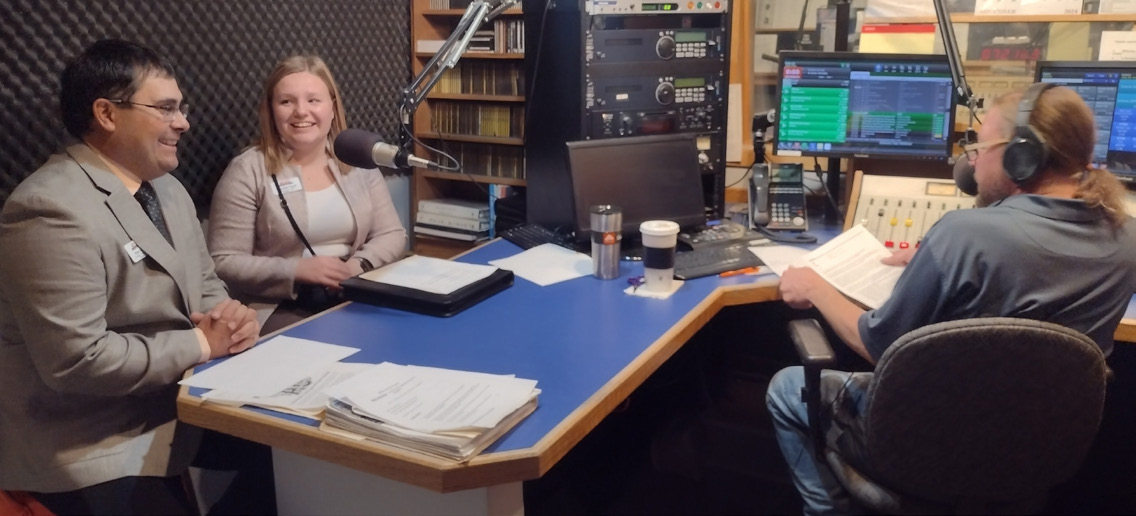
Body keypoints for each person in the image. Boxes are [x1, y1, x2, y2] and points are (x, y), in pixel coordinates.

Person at [765, 84, 1136, 515]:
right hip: (1035, 450)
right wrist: (934, 259)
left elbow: (876, 345)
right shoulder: (1125, 238)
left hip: (919, 445)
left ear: (1023, 156)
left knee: (786, 388)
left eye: (982, 146)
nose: (973, 158)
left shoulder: (962, 234)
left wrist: (815, 287)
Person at [0, 39, 261, 515]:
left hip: (175, 406)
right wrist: (203, 346)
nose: (182, 122)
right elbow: (78, 361)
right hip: (89, 441)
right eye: (166, 108)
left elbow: (206, 284)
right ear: (106, 113)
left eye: (181, 108)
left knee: (291, 461)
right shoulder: (47, 209)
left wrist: (233, 318)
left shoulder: (170, 190)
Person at [208, 55, 407, 334]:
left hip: (353, 290)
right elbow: (223, 260)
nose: (301, 111)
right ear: (271, 111)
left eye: (313, 100)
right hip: (280, 305)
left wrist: (357, 266)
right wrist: (296, 270)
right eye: (286, 102)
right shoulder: (247, 170)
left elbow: (392, 234)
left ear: (332, 108)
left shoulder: (355, 159)